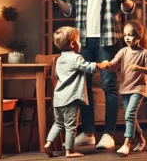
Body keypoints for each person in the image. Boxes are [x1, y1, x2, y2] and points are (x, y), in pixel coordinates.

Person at [41, 0, 136, 149]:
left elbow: (128, 8)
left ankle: (109, 135)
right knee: (81, 87)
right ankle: (90, 132)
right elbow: (71, 9)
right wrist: (57, 0)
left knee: (108, 86)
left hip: (107, 38)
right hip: (83, 40)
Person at [44, 26, 109, 158]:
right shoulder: (76, 58)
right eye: (79, 41)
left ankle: (49, 143)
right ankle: (70, 151)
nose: (80, 43)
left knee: (58, 123)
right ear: (73, 44)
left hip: (59, 98)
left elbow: (57, 74)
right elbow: (90, 68)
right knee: (71, 126)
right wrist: (103, 64)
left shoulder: (59, 59)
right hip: (71, 98)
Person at [106, 20, 147, 156]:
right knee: (131, 117)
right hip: (125, 88)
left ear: (138, 37)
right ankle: (141, 140)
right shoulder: (122, 52)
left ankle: (127, 144)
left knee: (129, 115)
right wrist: (107, 65)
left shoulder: (144, 53)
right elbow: (114, 64)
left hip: (138, 88)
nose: (127, 37)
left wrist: (139, 68)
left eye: (131, 35)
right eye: (125, 35)